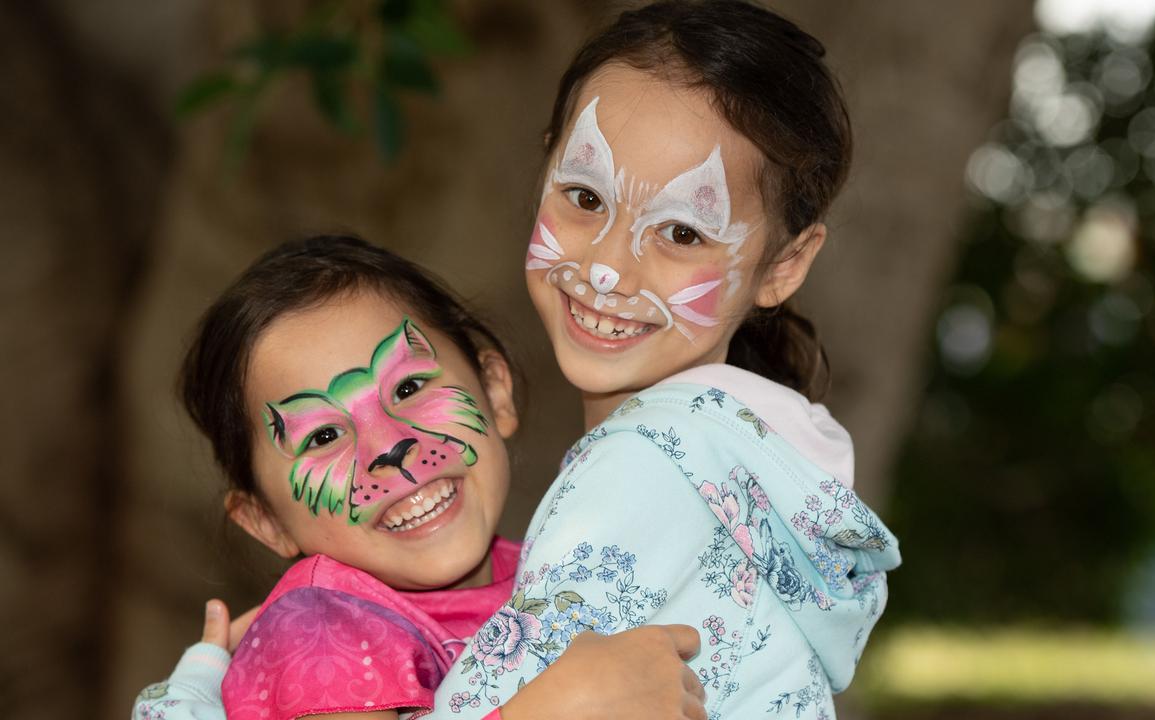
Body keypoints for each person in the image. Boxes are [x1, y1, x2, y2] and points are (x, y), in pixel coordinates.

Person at [136, 1, 901, 718]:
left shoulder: (620, 495)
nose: (608, 267)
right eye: (587, 198)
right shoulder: (749, 458)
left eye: (682, 234)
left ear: (784, 264)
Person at [132, 236, 707, 720]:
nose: (392, 448)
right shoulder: (319, 622)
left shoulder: (552, 566)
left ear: (495, 389)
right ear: (265, 521)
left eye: (407, 389)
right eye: (324, 437)